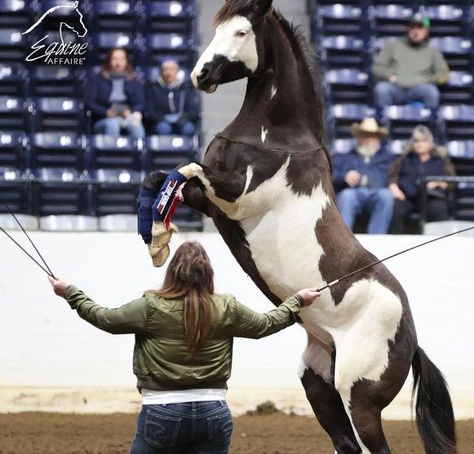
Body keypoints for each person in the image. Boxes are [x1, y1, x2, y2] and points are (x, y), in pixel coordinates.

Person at [47, 241, 320, 454]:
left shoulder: (150, 306)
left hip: (162, 411)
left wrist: (70, 291)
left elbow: (103, 318)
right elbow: (265, 325)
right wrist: (297, 300)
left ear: (172, 271)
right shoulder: (226, 307)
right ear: (208, 273)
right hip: (214, 411)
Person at [372, 12, 450, 109]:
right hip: (396, 87)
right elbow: (376, 67)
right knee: (382, 89)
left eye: (420, 27)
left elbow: (444, 74)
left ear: (427, 31)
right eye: (413, 27)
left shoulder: (433, 51)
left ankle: (427, 124)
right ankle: (383, 122)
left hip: (419, 89)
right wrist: (389, 76)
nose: (416, 31)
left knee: (431, 91)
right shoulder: (394, 46)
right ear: (408, 29)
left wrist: (426, 80)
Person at [332, 117, 395, 234]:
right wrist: (344, 176)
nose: (368, 139)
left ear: (378, 138)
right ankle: (343, 238)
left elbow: (394, 176)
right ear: (358, 137)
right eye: (365, 135)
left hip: (377, 192)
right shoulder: (345, 157)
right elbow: (332, 175)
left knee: (386, 196)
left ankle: (377, 240)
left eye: (372, 135)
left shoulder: (387, 158)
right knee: (346, 195)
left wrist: (393, 184)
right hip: (354, 193)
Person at [388, 125, 455, 234]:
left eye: (424, 140)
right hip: (408, 197)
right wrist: (393, 186)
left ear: (430, 143)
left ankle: (444, 244)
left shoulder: (440, 160)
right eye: (416, 141)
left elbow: (452, 180)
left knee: (440, 209)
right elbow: (392, 175)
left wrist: (441, 183)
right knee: (396, 209)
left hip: (431, 197)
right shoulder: (404, 159)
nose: (419, 144)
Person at [85, 48, 145, 139]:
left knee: (137, 128)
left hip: (127, 116)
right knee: (112, 125)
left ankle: (139, 153)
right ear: (109, 61)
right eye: (114, 59)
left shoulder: (133, 81)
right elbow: (90, 102)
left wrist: (130, 111)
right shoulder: (97, 80)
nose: (118, 63)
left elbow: (141, 103)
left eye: (121, 59)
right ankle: (112, 153)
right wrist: (106, 112)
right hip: (105, 118)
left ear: (126, 62)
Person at [146, 59, 199, 136]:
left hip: (182, 121)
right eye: (166, 69)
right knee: (163, 129)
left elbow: (194, 111)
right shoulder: (153, 88)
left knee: (188, 128)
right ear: (161, 72)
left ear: (178, 72)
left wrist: (184, 118)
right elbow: (149, 111)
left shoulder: (186, 88)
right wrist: (161, 119)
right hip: (161, 121)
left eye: (172, 69)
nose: (169, 73)